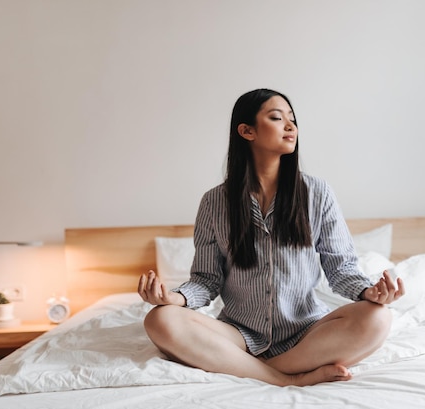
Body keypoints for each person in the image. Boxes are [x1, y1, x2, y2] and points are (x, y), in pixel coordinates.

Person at [138, 88, 404, 386]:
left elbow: (341, 269)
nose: (291, 126)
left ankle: (254, 370)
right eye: (277, 118)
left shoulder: (317, 193)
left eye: (292, 119)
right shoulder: (214, 202)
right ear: (247, 131)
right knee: (160, 319)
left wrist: (368, 293)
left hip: (307, 331)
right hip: (239, 333)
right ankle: (285, 379)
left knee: (378, 318)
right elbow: (206, 279)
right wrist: (175, 298)